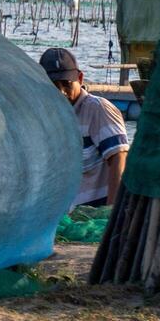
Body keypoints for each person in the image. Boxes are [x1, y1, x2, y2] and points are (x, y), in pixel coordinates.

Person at [40, 47, 130, 208]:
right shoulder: (47, 118)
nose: (61, 92)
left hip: (96, 213)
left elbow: (119, 157)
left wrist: (110, 210)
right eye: (53, 86)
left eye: (67, 84)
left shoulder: (97, 109)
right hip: (69, 216)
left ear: (80, 78)